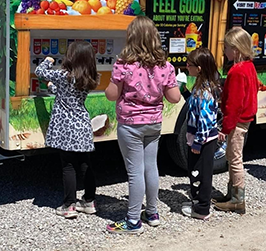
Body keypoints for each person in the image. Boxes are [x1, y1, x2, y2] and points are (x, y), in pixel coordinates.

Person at [105, 16, 181, 234]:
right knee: (151, 167)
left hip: (130, 125)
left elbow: (112, 95)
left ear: (132, 37)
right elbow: (174, 98)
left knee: (135, 172)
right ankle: (152, 213)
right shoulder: (165, 66)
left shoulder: (123, 65)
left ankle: (133, 221)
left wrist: (109, 86)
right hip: (154, 124)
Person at [35, 41, 98, 219]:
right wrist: (52, 88)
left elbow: (39, 72)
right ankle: (89, 201)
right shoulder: (91, 77)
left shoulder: (64, 75)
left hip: (66, 127)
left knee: (68, 166)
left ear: (71, 57)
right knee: (86, 164)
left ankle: (69, 204)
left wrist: (48, 60)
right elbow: (70, 94)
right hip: (82, 125)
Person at [213, 28, 259, 214]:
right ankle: (231, 194)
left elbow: (233, 105)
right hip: (245, 120)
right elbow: (255, 86)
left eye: (227, 47)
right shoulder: (249, 66)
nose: (224, 51)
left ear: (237, 50)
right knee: (233, 157)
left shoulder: (236, 71)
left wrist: (225, 128)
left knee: (234, 159)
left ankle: (237, 200)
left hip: (238, 122)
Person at [181, 48, 220, 221]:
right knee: (195, 172)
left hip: (202, 141)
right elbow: (194, 107)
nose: (186, 66)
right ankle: (198, 202)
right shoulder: (200, 86)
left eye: (190, 64)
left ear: (200, 68)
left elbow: (204, 120)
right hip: (199, 139)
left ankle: (202, 209)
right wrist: (184, 92)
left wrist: (198, 142)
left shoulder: (204, 92)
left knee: (200, 174)